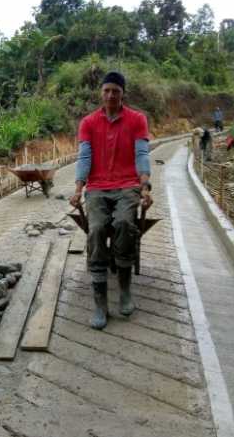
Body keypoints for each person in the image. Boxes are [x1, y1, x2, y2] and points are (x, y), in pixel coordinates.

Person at [70, 72, 152, 330]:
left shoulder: (137, 119)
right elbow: (84, 158)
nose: (111, 95)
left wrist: (145, 185)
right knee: (95, 230)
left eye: (115, 91)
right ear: (101, 93)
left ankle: (125, 290)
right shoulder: (89, 122)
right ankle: (100, 303)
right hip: (97, 188)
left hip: (127, 186)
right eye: (107, 90)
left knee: (125, 224)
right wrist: (78, 187)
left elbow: (141, 154)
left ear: (122, 93)